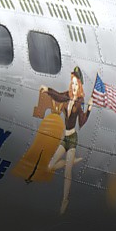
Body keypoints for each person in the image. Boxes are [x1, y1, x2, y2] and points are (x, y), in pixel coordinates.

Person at [40, 67, 93, 215]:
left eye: (76, 84)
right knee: (49, 166)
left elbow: (82, 121)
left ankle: (65, 200)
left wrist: (89, 109)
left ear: (80, 86)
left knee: (67, 174)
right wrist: (47, 90)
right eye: (73, 83)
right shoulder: (67, 97)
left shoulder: (79, 103)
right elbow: (57, 96)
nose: (74, 86)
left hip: (73, 138)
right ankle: (72, 161)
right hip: (65, 137)